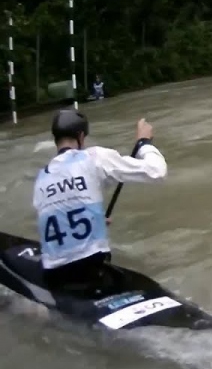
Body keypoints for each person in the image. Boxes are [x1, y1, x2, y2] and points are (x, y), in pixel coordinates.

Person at [33, 110, 167, 296]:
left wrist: (95, 221)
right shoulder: (93, 157)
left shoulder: (42, 177)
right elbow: (157, 171)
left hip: (55, 276)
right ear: (80, 136)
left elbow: (58, 213)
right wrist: (144, 143)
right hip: (90, 271)